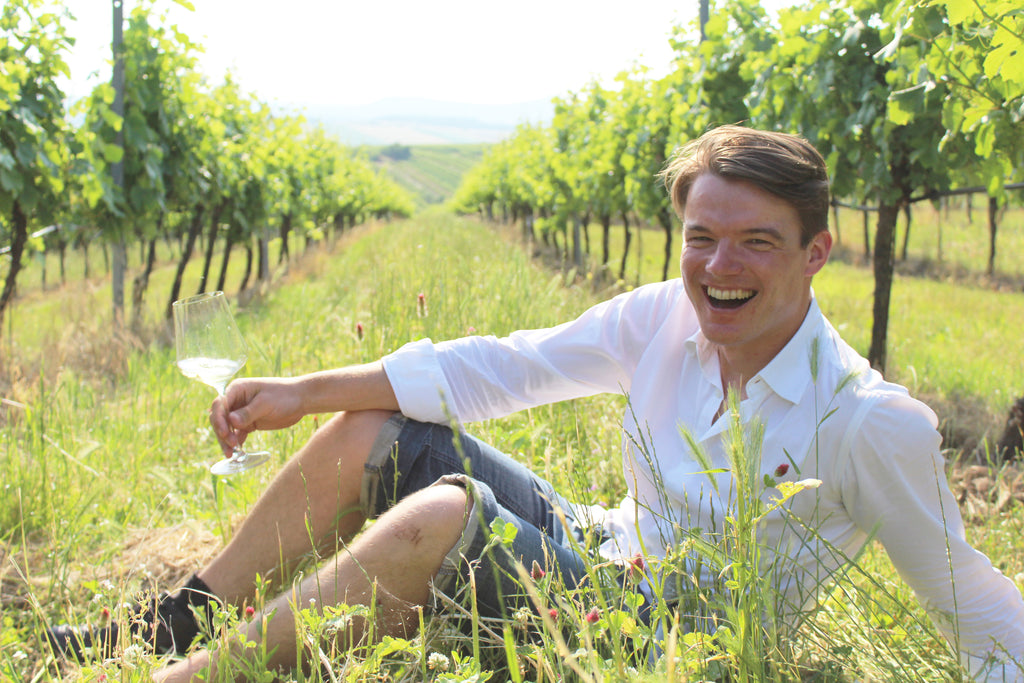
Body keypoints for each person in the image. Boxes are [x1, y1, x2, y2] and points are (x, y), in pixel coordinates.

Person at [47, 125, 1024, 681]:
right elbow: (503, 367)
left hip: (671, 636)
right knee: (376, 428)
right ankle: (178, 619)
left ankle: (192, 680)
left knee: (443, 514)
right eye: (699, 237)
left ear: (817, 251)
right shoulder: (659, 318)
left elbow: (967, 591)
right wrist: (302, 391)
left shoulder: (865, 419)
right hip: (605, 547)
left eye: (756, 242)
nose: (719, 266)